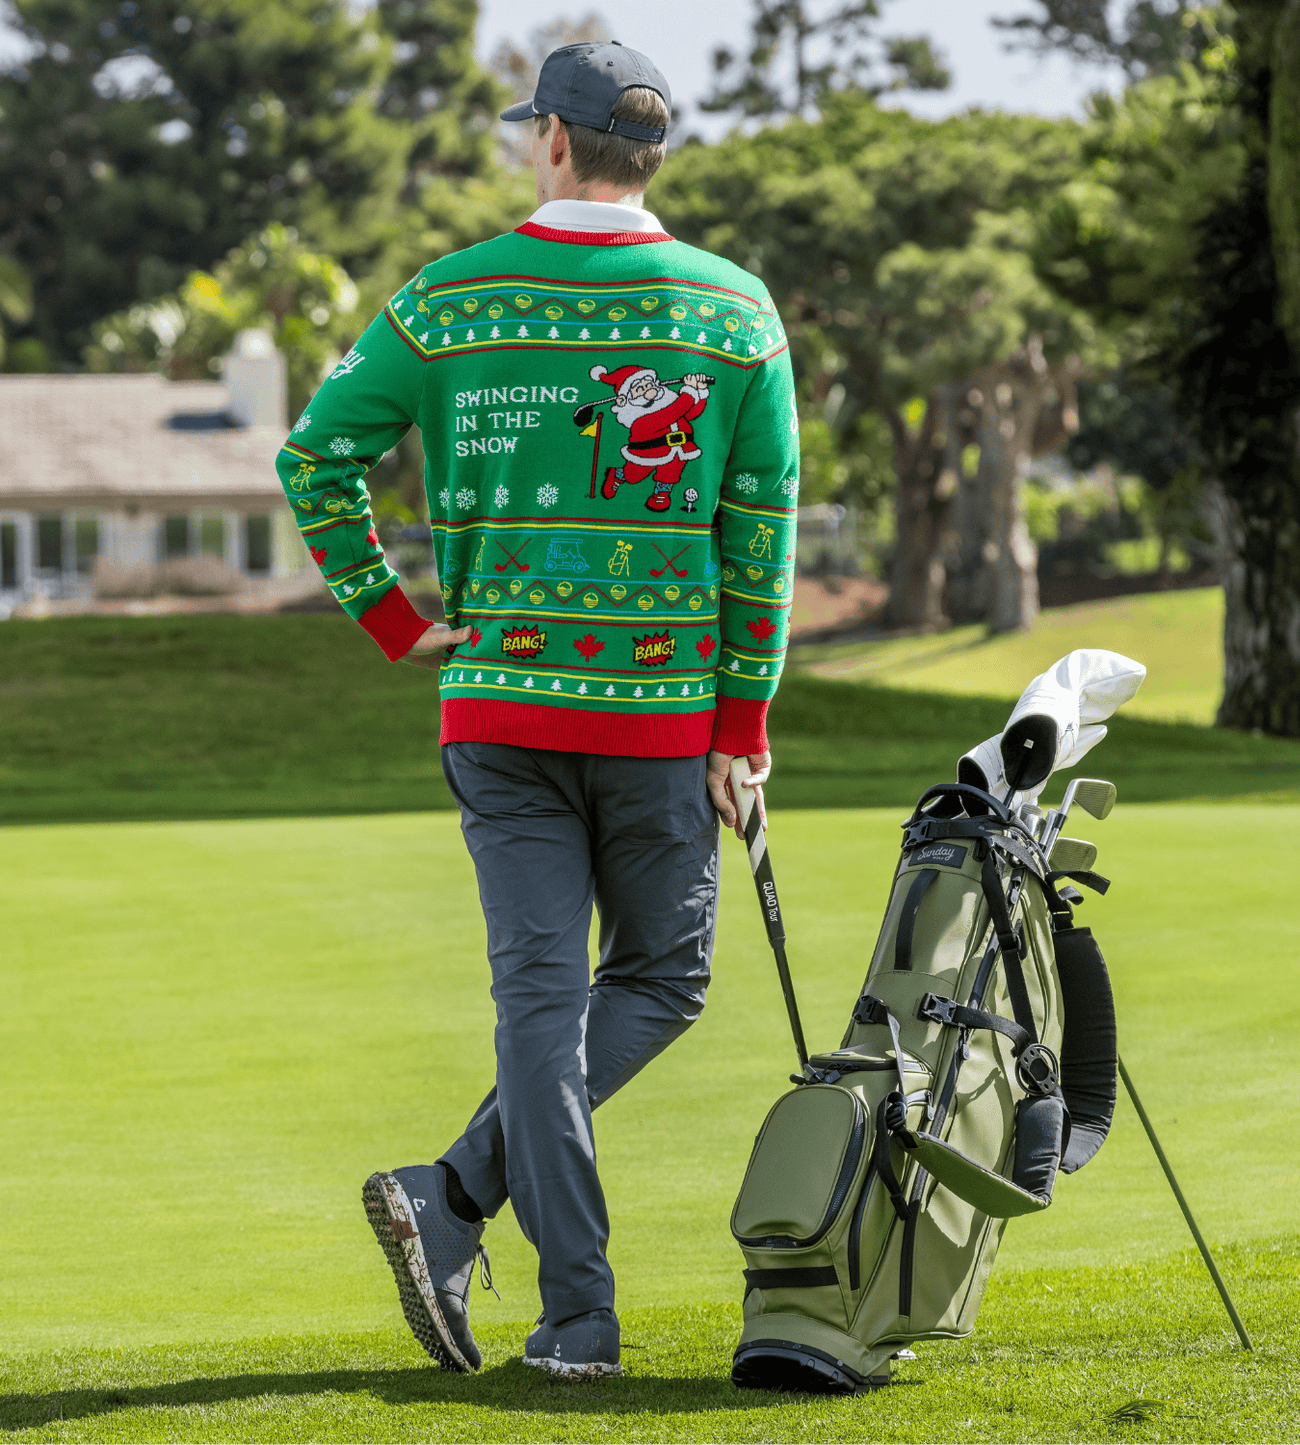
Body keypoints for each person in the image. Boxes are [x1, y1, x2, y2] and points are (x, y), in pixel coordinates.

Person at [274, 41, 798, 1380]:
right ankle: (571, 1316)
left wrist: (390, 617)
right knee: (653, 985)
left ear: (551, 142)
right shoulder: (737, 313)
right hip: (666, 720)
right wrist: (741, 731)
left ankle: (453, 1203)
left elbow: (315, 454)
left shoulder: (448, 301)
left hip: (499, 711)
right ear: (651, 153)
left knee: (556, 1001)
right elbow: (761, 541)